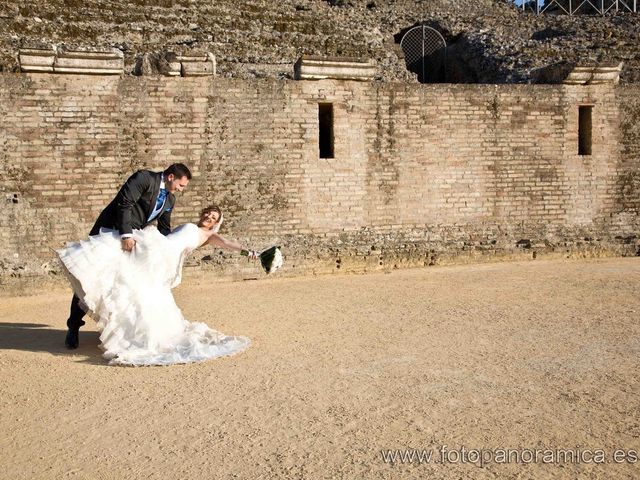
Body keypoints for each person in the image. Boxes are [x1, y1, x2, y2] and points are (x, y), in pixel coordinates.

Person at [57, 205, 258, 366]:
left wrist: (248, 252)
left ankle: (135, 334)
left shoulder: (208, 236)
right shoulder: (193, 227)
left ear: (216, 223)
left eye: (213, 217)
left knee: (135, 283)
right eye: (208, 213)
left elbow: (227, 244)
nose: (209, 217)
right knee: (129, 281)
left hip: (160, 254)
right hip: (158, 247)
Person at [64, 163, 192, 349]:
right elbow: (124, 203)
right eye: (181, 185)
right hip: (110, 233)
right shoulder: (144, 178)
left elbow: (164, 229)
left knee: (124, 287)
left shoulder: (169, 201)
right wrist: (126, 234)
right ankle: (73, 327)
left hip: (133, 245)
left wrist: (172, 249)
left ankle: (119, 334)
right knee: (91, 282)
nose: (181, 190)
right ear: (171, 177)